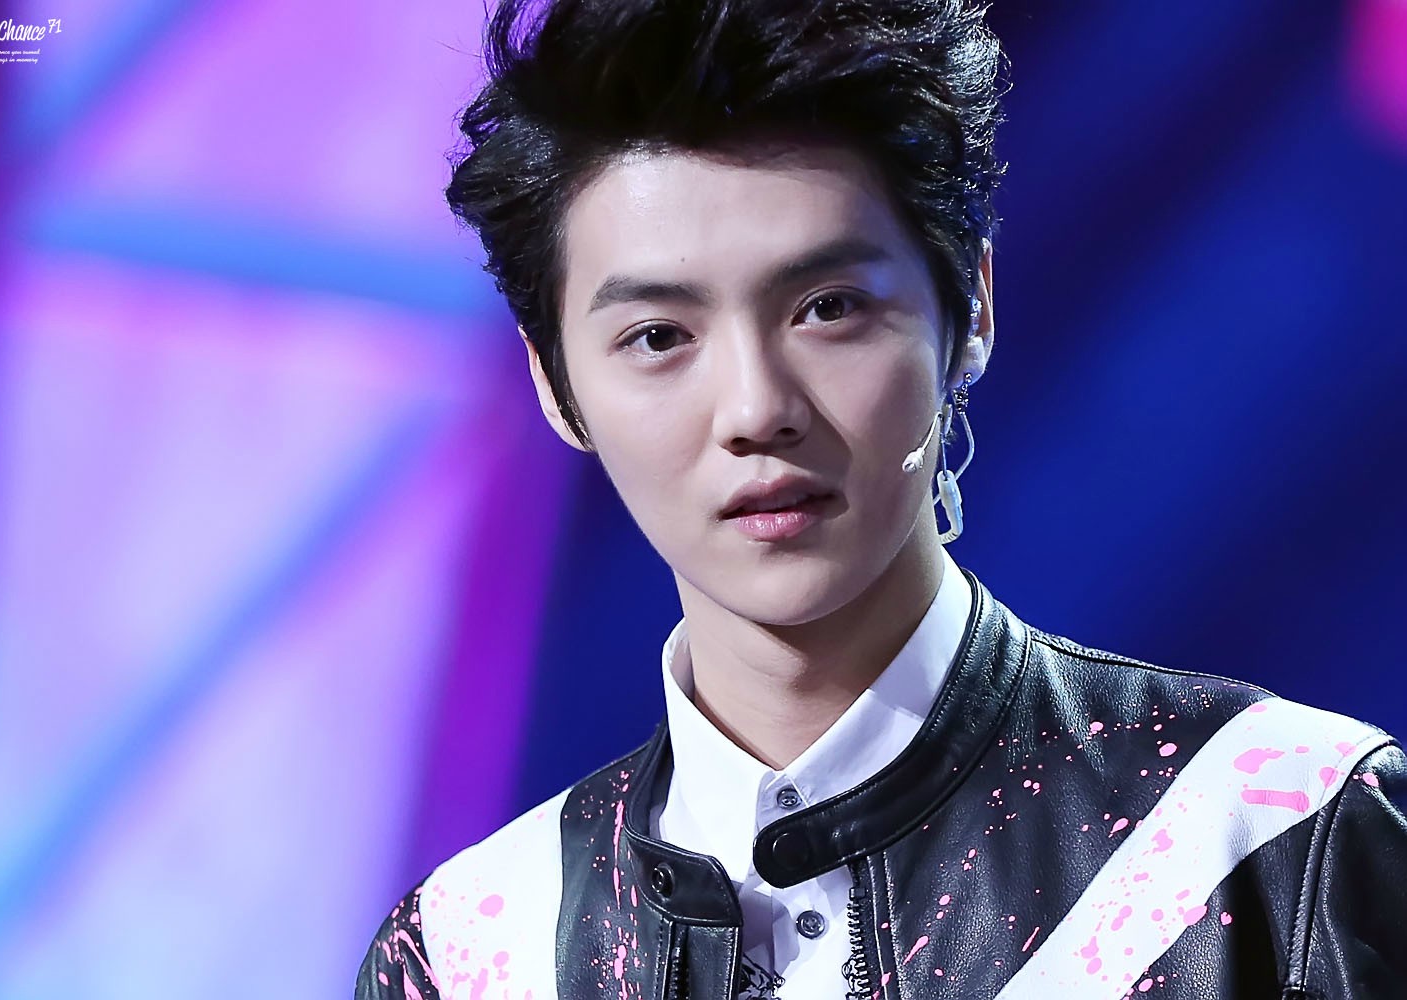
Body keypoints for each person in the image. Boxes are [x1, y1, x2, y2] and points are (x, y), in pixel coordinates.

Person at [357, 0, 1407, 996]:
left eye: (828, 307)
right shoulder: (473, 952)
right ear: (556, 385)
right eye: (659, 336)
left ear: (970, 307)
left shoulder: (1275, 834)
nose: (756, 409)